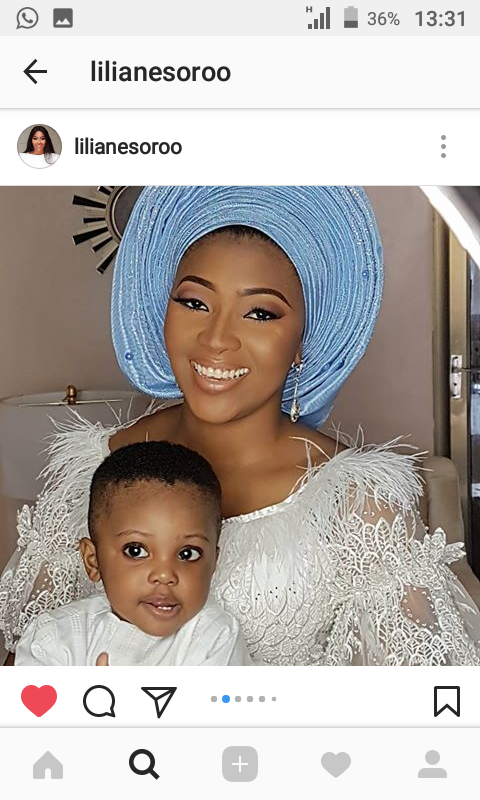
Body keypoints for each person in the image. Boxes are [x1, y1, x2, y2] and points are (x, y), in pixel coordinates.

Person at [1, 186, 480, 666]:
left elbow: (412, 694)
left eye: (260, 313)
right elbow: (25, 659)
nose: (216, 338)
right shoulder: (92, 475)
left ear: (303, 339)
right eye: (194, 302)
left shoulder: (357, 506)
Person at [14, 440, 252, 666]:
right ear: (93, 561)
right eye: (135, 551)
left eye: (188, 554)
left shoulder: (216, 636)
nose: (164, 575)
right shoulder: (53, 637)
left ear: (213, 563)